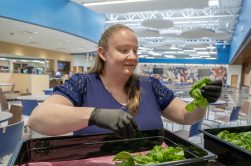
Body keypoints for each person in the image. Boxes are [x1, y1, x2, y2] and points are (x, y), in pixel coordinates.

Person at [28, 24, 222, 138]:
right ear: (103, 53)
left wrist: (203, 99)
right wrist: (95, 115)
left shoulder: (150, 86)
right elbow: (38, 119)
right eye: (124, 50)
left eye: (135, 51)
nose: (132, 56)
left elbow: (185, 116)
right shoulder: (82, 84)